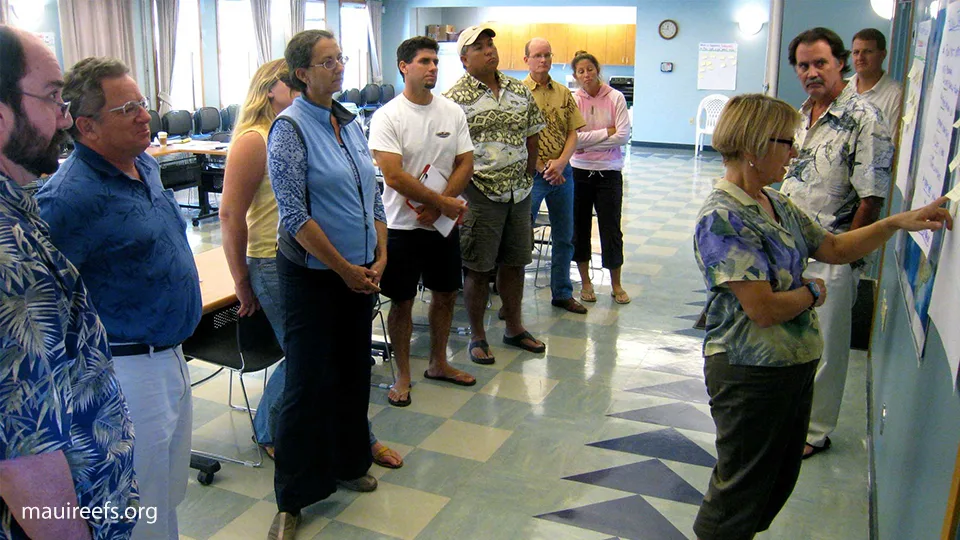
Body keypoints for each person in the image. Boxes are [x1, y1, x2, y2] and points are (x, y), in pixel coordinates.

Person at [692, 92, 950, 540]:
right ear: (755, 148)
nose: (795, 152)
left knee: (775, 482)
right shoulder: (722, 216)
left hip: (791, 364)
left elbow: (831, 247)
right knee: (739, 492)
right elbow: (763, 309)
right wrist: (812, 292)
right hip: (750, 371)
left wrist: (895, 223)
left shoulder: (775, 202)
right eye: (786, 143)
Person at [36, 56, 200, 540]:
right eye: (127, 108)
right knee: (139, 502)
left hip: (171, 357)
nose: (144, 115)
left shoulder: (143, 163)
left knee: (166, 493)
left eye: (143, 102)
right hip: (125, 370)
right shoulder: (68, 198)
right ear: (85, 126)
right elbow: (43, 306)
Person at [219, 59, 402, 469]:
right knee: (309, 356)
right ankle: (275, 431)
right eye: (294, 82)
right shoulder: (257, 138)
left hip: (325, 259)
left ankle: (350, 436)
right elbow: (230, 215)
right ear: (272, 89)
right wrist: (241, 280)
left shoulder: (319, 129)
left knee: (332, 356)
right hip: (275, 260)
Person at [0, 26, 139, 540]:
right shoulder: (6, 255)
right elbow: (24, 453)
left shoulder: (20, 207)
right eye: (54, 97)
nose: (65, 116)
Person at [266, 29, 387, 539]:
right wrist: (344, 269)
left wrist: (380, 258)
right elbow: (295, 214)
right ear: (301, 73)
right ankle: (293, 497)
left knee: (353, 372)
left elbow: (374, 198)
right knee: (307, 384)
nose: (338, 68)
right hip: (315, 278)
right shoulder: (289, 129)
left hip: (360, 272)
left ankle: (348, 461)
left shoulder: (349, 121)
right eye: (327, 61)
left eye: (340, 59)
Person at [781, 27, 893, 459]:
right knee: (793, 337)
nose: (811, 72)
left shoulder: (866, 118)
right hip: (790, 246)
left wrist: (845, 255)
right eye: (803, 65)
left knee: (825, 346)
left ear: (840, 62)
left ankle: (815, 430)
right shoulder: (800, 113)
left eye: (820, 63)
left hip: (833, 251)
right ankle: (790, 416)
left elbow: (872, 196)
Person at [368, 36, 477, 407]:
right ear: (404, 66)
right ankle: (403, 375)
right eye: (425, 61)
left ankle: (439, 362)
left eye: (435, 62)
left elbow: (466, 162)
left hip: (441, 227)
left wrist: (441, 206)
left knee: (446, 293)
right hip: (401, 227)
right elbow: (394, 176)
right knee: (401, 301)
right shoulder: (388, 116)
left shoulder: (452, 112)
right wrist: (441, 202)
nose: (433, 68)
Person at [444, 24, 547, 364]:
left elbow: (533, 133)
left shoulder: (519, 90)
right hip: (480, 194)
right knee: (477, 268)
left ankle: (514, 328)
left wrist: (529, 170)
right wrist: (465, 190)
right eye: (479, 47)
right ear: (464, 59)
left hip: (519, 192)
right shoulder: (453, 100)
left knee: (515, 263)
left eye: (490, 44)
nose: (489, 50)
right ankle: (477, 335)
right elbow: (450, 154)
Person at [522, 37, 588, 314]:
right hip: (532, 175)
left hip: (563, 174)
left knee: (564, 236)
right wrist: (542, 167)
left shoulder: (563, 93)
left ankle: (562, 292)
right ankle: (510, 297)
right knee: (521, 236)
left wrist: (561, 163)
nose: (543, 60)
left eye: (547, 55)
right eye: (537, 55)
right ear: (526, 60)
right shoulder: (518, 93)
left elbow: (573, 132)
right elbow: (518, 137)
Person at [569, 50, 632, 305]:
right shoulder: (573, 100)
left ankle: (616, 284)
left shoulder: (615, 97)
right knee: (580, 228)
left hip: (609, 173)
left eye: (590, 69)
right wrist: (605, 133)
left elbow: (624, 136)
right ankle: (585, 282)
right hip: (579, 172)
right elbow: (572, 139)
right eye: (581, 71)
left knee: (611, 229)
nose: (586, 75)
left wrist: (585, 142)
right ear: (575, 75)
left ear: (598, 70)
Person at [850, 28, 902, 130]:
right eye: (856, 52)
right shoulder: (841, 88)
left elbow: (893, 143)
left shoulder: (896, 95)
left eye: (867, 52)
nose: (860, 57)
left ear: (883, 55)